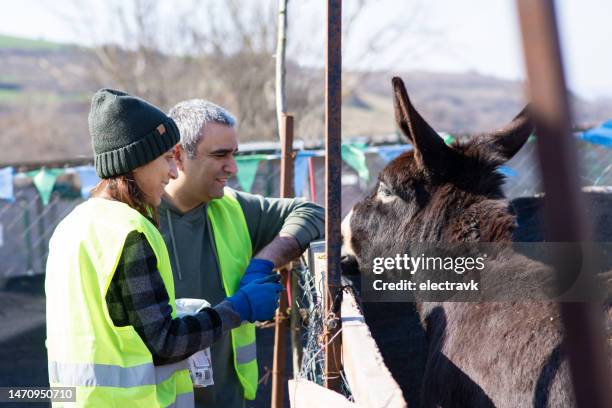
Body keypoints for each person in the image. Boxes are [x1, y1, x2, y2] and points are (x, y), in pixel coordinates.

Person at [45, 89, 282, 407]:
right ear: (137, 161)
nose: (173, 172)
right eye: (167, 158)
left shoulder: (72, 225)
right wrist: (237, 309)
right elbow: (166, 343)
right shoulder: (130, 231)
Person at [160, 99, 325, 407]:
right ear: (179, 155)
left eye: (234, 155)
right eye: (220, 155)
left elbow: (313, 213)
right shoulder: (137, 223)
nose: (232, 168)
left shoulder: (233, 208)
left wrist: (265, 261)